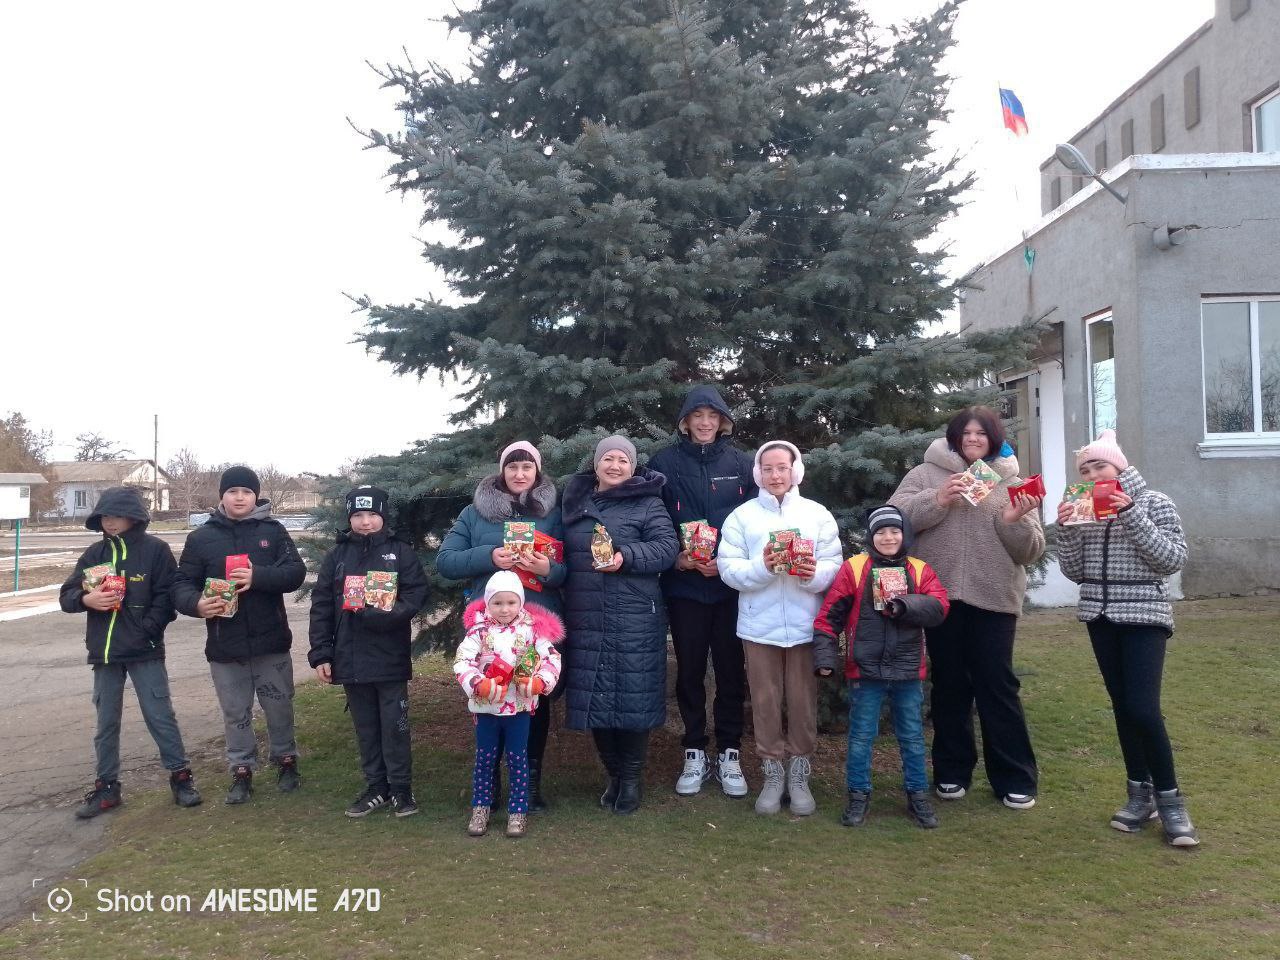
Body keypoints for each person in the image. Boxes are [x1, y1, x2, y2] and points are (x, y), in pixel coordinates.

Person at [889, 407, 1045, 809]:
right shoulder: (925, 473)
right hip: (940, 599)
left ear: (994, 438)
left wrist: (1013, 520)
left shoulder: (1015, 481)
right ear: (954, 436)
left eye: (982, 433)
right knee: (950, 685)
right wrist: (937, 498)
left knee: (998, 685)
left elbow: (1030, 550)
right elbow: (892, 522)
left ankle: (1015, 777)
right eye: (966, 432)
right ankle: (952, 772)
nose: (973, 439)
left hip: (994, 598)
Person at [1055, 430, 1198, 847]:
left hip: (1144, 614)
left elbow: (1170, 560)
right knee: (1122, 707)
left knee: (1142, 707)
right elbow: (1075, 571)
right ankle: (1139, 794)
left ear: (1119, 466)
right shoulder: (1085, 510)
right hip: (1100, 614)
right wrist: (1066, 528)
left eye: (1099, 465)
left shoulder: (1155, 502)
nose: (1093, 474)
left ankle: (1171, 801)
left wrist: (1130, 513)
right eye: (1084, 469)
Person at [437, 441, 566, 812]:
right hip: (488, 628)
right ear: (501, 471)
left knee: (531, 698)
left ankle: (530, 784)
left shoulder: (553, 513)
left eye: (527, 468)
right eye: (512, 467)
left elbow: (573, 568)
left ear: (537, 472)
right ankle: (489, 784)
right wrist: (488, 557)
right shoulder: (474, 514)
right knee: (487, 697)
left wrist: (548, 570)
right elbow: (446, 561)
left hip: (534, 626)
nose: (520, 474)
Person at [59, 487, 202, 818]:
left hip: (145, 650)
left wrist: (145, 630)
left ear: (134, 517)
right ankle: (107, 787)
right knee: (106, 722)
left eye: (116, 516)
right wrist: (85, 599)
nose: (110, 523)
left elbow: (167, 598)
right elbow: (66, 595)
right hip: (105, 654)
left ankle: (181, 777)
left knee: (159, 715)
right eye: (105, 517)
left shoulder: (155, 550)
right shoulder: (94, 555)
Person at [717, 441, 842, 817]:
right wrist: (764, 567)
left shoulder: (816, 514)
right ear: (758, 473)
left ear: (795, 470)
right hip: (759, 627)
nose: (775, 475)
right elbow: (728, 569)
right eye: (768, 468)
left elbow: (834, 565)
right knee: (766, 701)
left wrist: (812, 575)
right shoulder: (743, 516)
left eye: (782, 468)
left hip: (805, 626)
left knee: (803, 701)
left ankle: (799, 773)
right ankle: (772, 772)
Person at [173, 466, 307, 804]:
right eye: (232, 491)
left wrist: (258, 577)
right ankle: (242, 770)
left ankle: (286, 760)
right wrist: (197, 604)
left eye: (246, 492)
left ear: (255, 495)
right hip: (224, 643)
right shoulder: (201, 538)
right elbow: (180, 585)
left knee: (279, 707)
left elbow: (295, 573)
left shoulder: (273, 532)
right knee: (236, 713)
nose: (239, 497)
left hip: (270, 641)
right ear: (222, 495)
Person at [646, 385, 756, 798]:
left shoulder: (743, 464)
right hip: (684, 587)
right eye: (698, 415)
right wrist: (677, 558)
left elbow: (757, 523)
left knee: (731, 672)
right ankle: (694, 750)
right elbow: (652, 518)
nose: (705, 422)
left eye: (713, 415)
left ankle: (729, 752)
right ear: (686, 421)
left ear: (723, 420)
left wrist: (730, 563)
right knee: (689, 670)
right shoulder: (664, 463)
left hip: (731, 588)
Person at [561, 434, 679, 815]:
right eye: (608, 459)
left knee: (632, 700)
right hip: (586, 613)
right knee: (595, 699)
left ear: (632, 467)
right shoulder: (575, 503)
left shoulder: (648, 502)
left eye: (622, 460)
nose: (615, 466)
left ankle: (630, 779)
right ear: (596, 464)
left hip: (633, 615)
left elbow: (666, 548)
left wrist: (624, 556)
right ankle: (612, 774)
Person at [812, 505, 950, 829]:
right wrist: (824, 658)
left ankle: (917, 796)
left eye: (894, 531)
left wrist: (904, 604)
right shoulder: (855, 569)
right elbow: (829, 617)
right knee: (860, 737)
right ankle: (858, 795)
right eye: (881, 532)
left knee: (913, 737)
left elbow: (939, 606)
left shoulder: (919, 570)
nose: (888, 537)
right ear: (872, 537)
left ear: (904, 534)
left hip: (907, 670)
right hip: (865, 671)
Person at [308, 485, 430, 819]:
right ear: (349, 518)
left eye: (372, 514)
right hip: (349, 660)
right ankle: (377, 787)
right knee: (367, 728)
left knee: (395, 727)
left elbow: (417, 593)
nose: (365, 522)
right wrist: (321, 653)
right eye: (358, 515)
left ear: (383, 516)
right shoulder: (337, 557)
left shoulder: (400, 552)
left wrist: (384, 614)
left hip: (389, 659)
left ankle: (402, 790)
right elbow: (321, 606)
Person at [454, 571, 563, 838]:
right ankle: (480, 808)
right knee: (485, 759)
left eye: (511, 603)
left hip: (520, 709)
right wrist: (478, 683)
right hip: (486, 709)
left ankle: (518, 811)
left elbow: (551, 659)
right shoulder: (479, 631)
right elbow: (462, 661)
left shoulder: (531, 631)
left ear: (521, 603)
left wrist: (540, 682)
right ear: (488, 603)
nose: (504, 609)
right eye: (498, 603)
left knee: (518, 759)